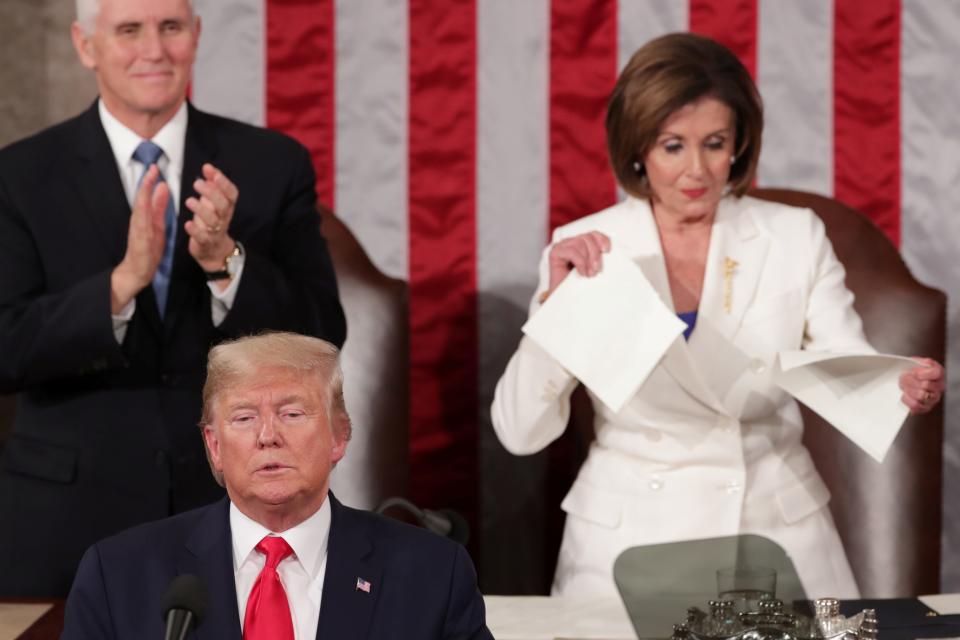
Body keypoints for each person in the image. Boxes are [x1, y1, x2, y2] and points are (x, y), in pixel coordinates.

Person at [491, 33, 945, 599]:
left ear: (739, 143)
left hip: (772, 531)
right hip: (629, 539)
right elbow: (518, 432)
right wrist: (554, 316)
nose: (697, 170)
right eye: (672, 146)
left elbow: (844, 367)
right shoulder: (587, 247)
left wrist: (893, 387)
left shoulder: (794, 235)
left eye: (714, 143)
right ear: (637, 148)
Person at [0, 0, 346, 596]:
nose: (154, 49)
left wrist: (225, 262)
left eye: (170, 27)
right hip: (63, 519)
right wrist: (120, 284)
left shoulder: (270, 163)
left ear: (196, 35)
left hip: (229, 505)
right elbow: (6, 348)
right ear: (86, 46)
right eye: (129, 30)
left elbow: (320, 335)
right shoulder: (20, 174)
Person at [61, 332, 492, 639]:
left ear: (340, 436)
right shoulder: (118, 575)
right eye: (244, 418)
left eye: (292, 413)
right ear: (214, 446)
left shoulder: (432, 574)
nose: (268, 435)